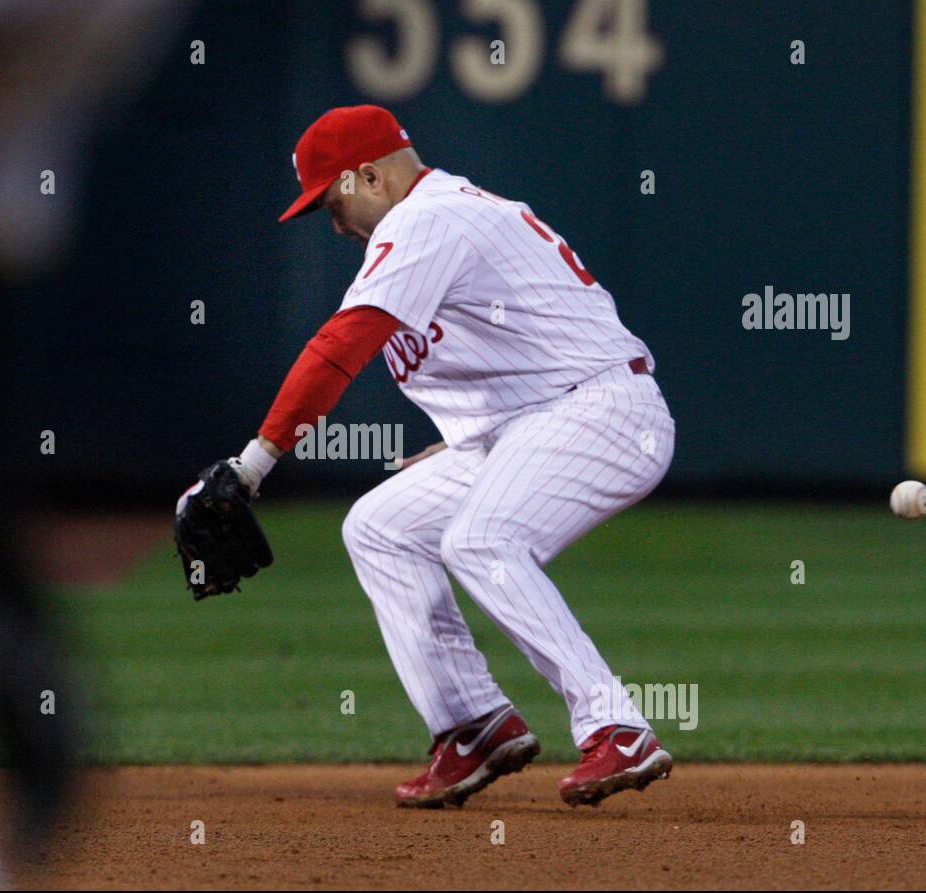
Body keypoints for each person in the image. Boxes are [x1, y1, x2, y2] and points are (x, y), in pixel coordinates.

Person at [219, 104, 675, 809]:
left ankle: (617, 726)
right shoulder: (428, 223)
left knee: (482, 539)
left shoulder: (426, 219)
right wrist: (470, 438)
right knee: (380, 526)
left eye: (331, 201)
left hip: (600, 411)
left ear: (368, 175)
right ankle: (474, 726)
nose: (332, 223)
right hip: (531, 421)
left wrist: (249, 468)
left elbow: (340, 348)